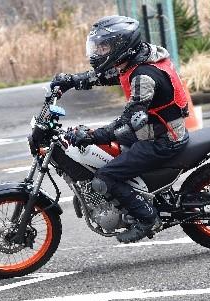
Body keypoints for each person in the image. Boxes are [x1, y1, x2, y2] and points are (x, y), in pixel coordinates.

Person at [50, 15, 190, 243]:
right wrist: (71, 81)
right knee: (107, 158)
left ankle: (146, 219)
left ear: (122, 46)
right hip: (151, 132)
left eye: (104, 47)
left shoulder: (144, 76)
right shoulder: (135, 61)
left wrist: (92, 135)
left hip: (162, 141)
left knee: (106, 177)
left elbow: (129, 121)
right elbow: (105, 77)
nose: (99, 52)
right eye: (98, 47)